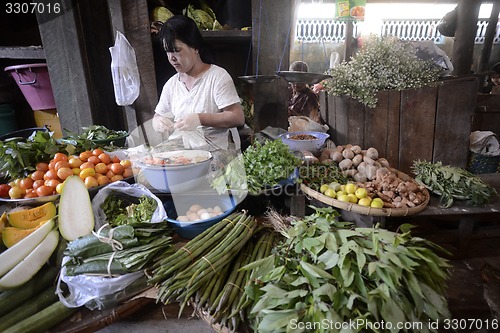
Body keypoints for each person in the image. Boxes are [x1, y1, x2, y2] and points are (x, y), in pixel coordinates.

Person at [152, 15, 245, 151]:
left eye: (177, 51)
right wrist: (158, 122)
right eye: (167, 51)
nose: (172, 58)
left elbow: (237, 117)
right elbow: (158, 115)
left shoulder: (217, 77)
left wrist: (200, 119)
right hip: (181, 153)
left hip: (214, 153)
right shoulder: (172, 85)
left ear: (195, 47)